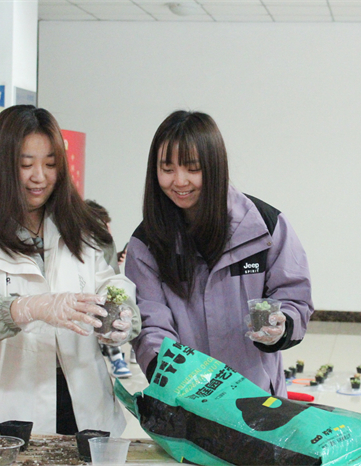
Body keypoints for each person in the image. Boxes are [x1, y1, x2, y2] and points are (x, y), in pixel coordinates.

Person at [0, 105, 141, 435]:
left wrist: (120, 316)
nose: (40, 177)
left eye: (50, 164)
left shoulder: (86, 229)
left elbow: (113, 284)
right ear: (0, 166)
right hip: (7, 409)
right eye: (26, 164)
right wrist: (26, 308)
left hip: (87, 407)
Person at [126, 110, 313, 396]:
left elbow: (294, 297)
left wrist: (281, 325)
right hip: (185, 398)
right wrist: (175, 380)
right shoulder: (147, 243)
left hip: (256, 397)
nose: (180, 181)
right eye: (167, 169)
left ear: (215, 167)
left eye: (193, 168)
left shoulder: (263, 226)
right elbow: (151, 325)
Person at [85, 200, 132, 379]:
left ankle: (120, 355)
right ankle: (116, 357)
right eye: (104, 225)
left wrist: (117, 258)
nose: (108, 230)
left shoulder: (104, 250)